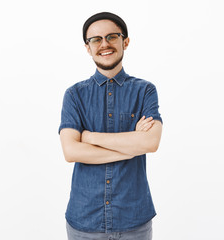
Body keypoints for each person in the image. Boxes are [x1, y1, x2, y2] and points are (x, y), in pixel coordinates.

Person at [58, 12, 163, 240]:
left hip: (134, 219)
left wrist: (89, 137)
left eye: (111, 37)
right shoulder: (74, 95)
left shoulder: (145, 91)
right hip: (84, 220)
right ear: (88, 47)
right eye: (96, 39)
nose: (104, 44)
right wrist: (130, 145)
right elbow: (71, 151)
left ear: (125, 41)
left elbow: (150, 142)